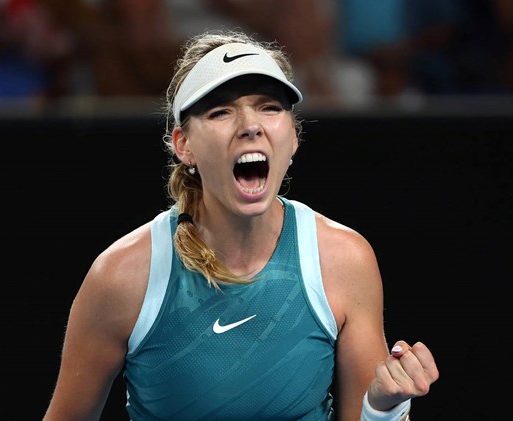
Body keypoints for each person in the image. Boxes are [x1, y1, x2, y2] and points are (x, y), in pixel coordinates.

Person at [42, 29, 439, 421]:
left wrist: (385, 409)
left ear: (294, 138)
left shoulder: (344, 260)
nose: (251, 125)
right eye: (221, 111)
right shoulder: (122, 277)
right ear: (184, 145)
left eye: (269, 107)